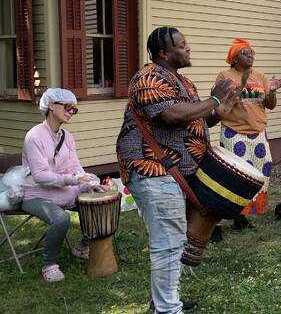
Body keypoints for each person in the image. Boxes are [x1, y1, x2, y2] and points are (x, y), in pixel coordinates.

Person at [116, 27, 237, 314]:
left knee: (174, 239)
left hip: (175, 172)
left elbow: (194, 121)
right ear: (163, 53)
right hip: (153, 168)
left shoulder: (183, 81)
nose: (188, 49)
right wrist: (215, 100)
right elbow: (171, 115)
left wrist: (217, 113)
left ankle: (165, 302)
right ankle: (168, 309)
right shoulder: (147, 78)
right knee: (168, 242)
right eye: (182, 45)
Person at [21, 88, 107, 282]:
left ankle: (83, 246)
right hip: (36, 195)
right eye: (68, 107)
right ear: (51, 105)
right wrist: (74, 180)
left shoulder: (67, 137)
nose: (71, 112)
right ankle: (49, 264)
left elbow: (75, 167)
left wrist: (90, 181)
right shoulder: (34, 136)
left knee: (98, 203)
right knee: (60, 219)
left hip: (64, 190)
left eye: (74, 109)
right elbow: (40, 176)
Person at [215, 38, 281, 230]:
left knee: (262, 171)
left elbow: (269, 105)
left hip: (258, 133)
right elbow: (221, 105)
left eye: (252, 52)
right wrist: (242, 83)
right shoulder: (224, 76)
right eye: (246, 53)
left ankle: (244, 214)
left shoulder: (260, 76)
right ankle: (229, 213)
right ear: (235, 59)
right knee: (236, 175)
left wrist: (273, 91)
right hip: (234, 132)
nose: (251, 56)